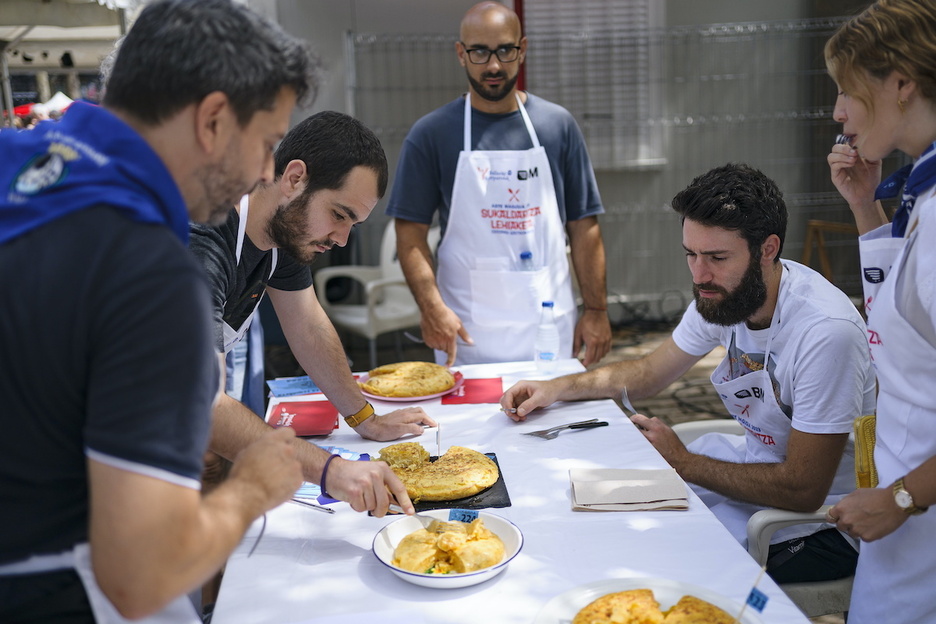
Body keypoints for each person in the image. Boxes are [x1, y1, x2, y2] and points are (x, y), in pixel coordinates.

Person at [0, 1, 326, 622]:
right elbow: (141, 573)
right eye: (265, 144)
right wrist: (251, 490)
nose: (265, 171)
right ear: (212, 120)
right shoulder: (149, 272)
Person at [501, 163, 877, 584]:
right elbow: (648, 372)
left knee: (656, 563)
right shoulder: (725, 295)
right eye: (690, 254)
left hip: (822, 525)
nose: (699, 275)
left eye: (717, 257)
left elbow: (804, 489)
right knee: (600, 515)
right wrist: (557, 388)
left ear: (767, 249)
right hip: (751, 478)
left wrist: (684, 462)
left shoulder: (825, 332)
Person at [190, 111, 437, 493]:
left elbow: (308, 325)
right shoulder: (201, 243)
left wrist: (364, 418)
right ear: (294, 179)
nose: (341, 239)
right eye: (338, 215)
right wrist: (331, 472)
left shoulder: (281, 236)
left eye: (352, 225)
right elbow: (203, 403)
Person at [386, 1, 611, 367]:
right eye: (479, 52)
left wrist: (597, 310)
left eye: (505, 50)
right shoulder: (431, 134)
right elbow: (410, 234)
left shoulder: (557, 126)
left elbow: (584, 226)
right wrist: (431, 309)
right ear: (461, 54)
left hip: (550, 326)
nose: (493, 65)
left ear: (523, 50)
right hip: (465, 332)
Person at [823, 2, 936, 621]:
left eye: (847, 89)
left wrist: (901, 498)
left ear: (901, 82)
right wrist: (865, 205)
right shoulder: (921, 192)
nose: (838, 112)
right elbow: (906, 320)